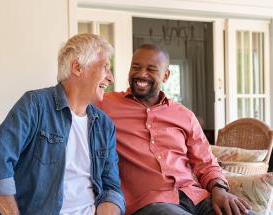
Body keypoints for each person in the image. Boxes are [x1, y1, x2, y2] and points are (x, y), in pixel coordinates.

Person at [97, 44, 256, 215]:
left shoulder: (184, 115)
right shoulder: (105, 104)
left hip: (196, 197)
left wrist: (220, 189)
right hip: (150, 203)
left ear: (166, 76)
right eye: (136, 67)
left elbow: (206, 162)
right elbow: (73, 100)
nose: (141, 74)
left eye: (151, 69)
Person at [0, 33, 125, 215]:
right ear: (77, 67)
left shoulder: (104, 125)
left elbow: (111, 187)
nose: (111, 78)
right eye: (105, 68)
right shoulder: (35, 105)